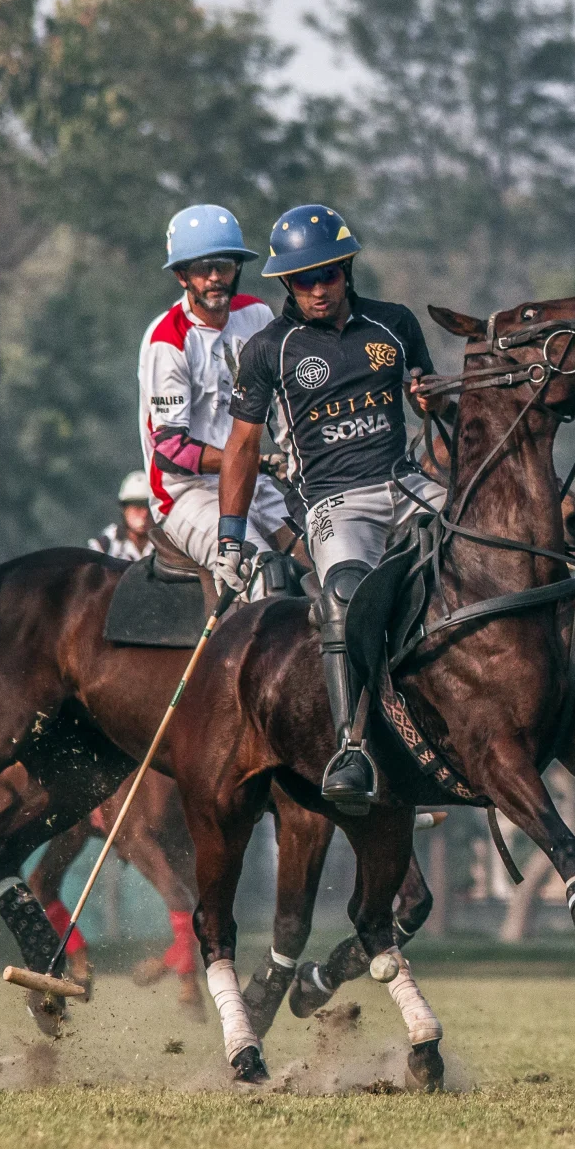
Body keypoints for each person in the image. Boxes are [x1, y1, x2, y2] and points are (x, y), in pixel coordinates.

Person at [216, 204, 444, 814]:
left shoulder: (395, 324)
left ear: (347, 269)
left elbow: (434, 416)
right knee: (343, 593)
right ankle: (351, 748)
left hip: (407, 482)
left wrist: (432, 407)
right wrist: (231, 540)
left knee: (486, 545)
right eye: (303, 280)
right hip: (333, 501)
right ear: (287, 285)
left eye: (328, 276)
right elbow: (242, 445)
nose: (318, 289)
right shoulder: (269, 349)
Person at [139, 203, 300, 573]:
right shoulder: (169, 340)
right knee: (263, 574)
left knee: (316, 561)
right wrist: (257, 462)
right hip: (187, 494)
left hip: (254, 485)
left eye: (223, 266)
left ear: (237, 268)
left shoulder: (257, 315)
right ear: (182, 276)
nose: (214, 278)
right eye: (201, 269)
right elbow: (168, 450)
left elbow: (285, 404)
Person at [88, 471, 156, 562]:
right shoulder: (105, 546)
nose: (145, 514)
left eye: (149, 507)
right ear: (124, 509)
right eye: (138, 507)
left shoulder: (169, 544)